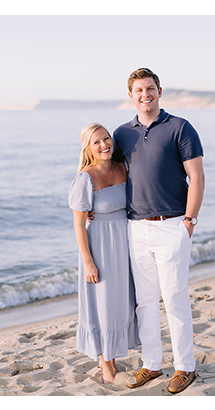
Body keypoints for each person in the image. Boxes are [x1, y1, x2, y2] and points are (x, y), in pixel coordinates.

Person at [112, 68, 205, 394]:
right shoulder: (122, 134)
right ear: (131, 95)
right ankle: (151, 364)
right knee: (145, 303)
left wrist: (189, 221)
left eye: (150, 88)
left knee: (175, 298)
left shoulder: (180, 127)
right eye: (138, 90)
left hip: (173, 226)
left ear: (160, 91)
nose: (145, 95)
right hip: (136, 228)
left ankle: (185, 367)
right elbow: (111, 174)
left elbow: (197, 176)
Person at [69, 123, 140, 385]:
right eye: (96, 142)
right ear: (88, 148)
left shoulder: (123, 167)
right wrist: (88, 261)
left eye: (106, 139)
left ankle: (113, 358)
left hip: (126, 242)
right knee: (103, 304)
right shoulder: (85, 178)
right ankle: (106, 366)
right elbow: (78, 224)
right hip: (100, 246)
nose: (103, 145)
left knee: (122, 302)